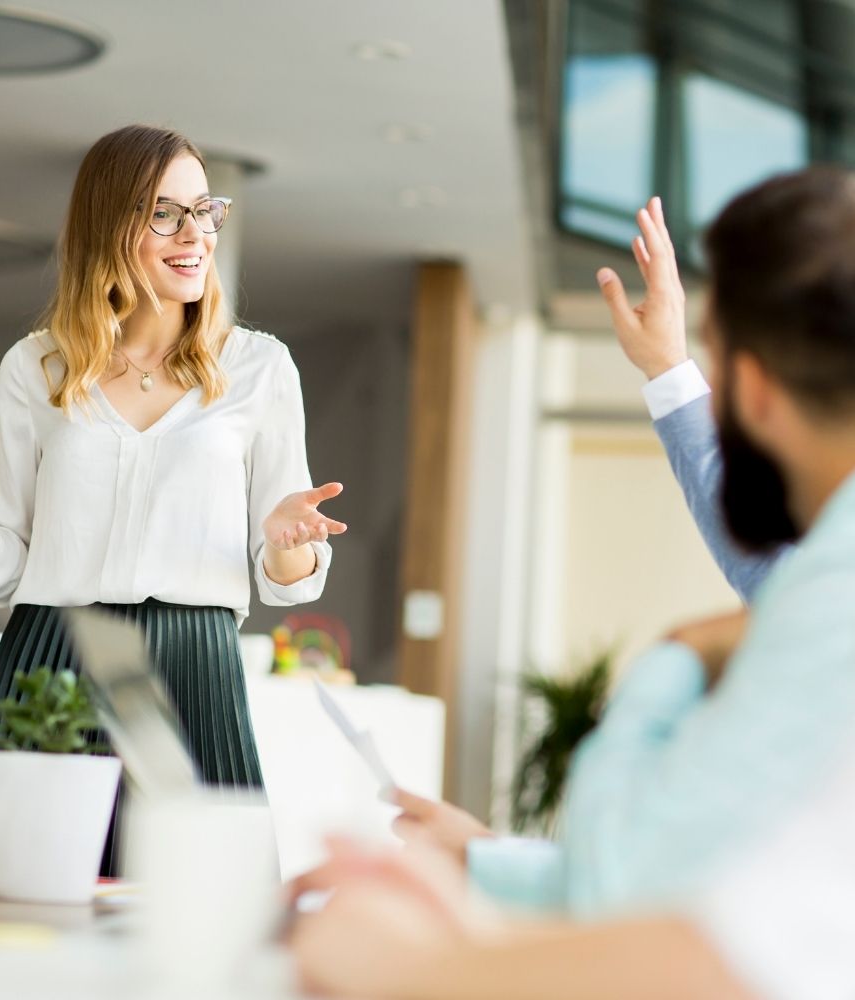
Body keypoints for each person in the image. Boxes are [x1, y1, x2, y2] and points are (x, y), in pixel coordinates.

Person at [290, 167, 855, 999]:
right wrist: (483, 860)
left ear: (755, 389)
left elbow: (632, 885)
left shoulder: (830, 586)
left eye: (715, 349)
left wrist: (412, 969)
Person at [0, 124, 346, 874]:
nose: (194, 235)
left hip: (195, 663)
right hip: (52, 656)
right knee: (22, 907)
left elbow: (281, 577)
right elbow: (6, 570)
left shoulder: (259, 369)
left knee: (205, 918)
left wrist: (294, 544)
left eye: (205, 211)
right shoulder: (36, 367)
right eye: (166, 213)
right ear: (109, 224)